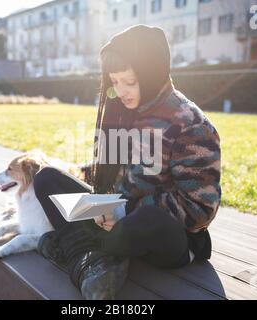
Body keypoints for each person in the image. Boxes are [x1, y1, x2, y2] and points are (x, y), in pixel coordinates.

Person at [34, 24, 221, 300]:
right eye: (115, 81)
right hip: (114, 214)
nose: (120, 91)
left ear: (151, 74)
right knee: (46, 177)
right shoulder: (125, 111)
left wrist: (125, 211)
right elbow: (114, 171)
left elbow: (200, 209)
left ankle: (78, 251)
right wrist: (76, 175)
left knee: (138, 225)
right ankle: (96, 259)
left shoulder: (191, 124)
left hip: (165, 234)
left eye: (129, 81)